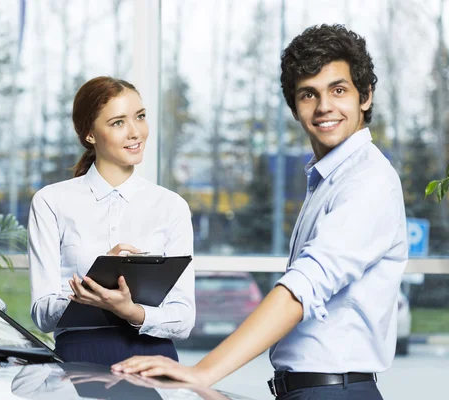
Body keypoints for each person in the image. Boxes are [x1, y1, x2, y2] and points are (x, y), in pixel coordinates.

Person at [113, 24, 408, 400]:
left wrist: (202, 372)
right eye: (308, 94)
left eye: (338, 90)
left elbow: (303, 287)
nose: (324, 107)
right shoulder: (330, 178)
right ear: (294, 106)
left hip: (335, 392)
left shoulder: (368, 180)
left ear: (365, 96)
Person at [27, 76, 195, 366]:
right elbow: (42, 313)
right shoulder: (51, 202)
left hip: (154, 360)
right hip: (79, 359)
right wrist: (95, 285)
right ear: (89, 134)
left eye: (140, 117)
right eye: (118, 122)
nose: (135, 132)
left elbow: (183, 319)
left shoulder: (171, 207)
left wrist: (132, 311)